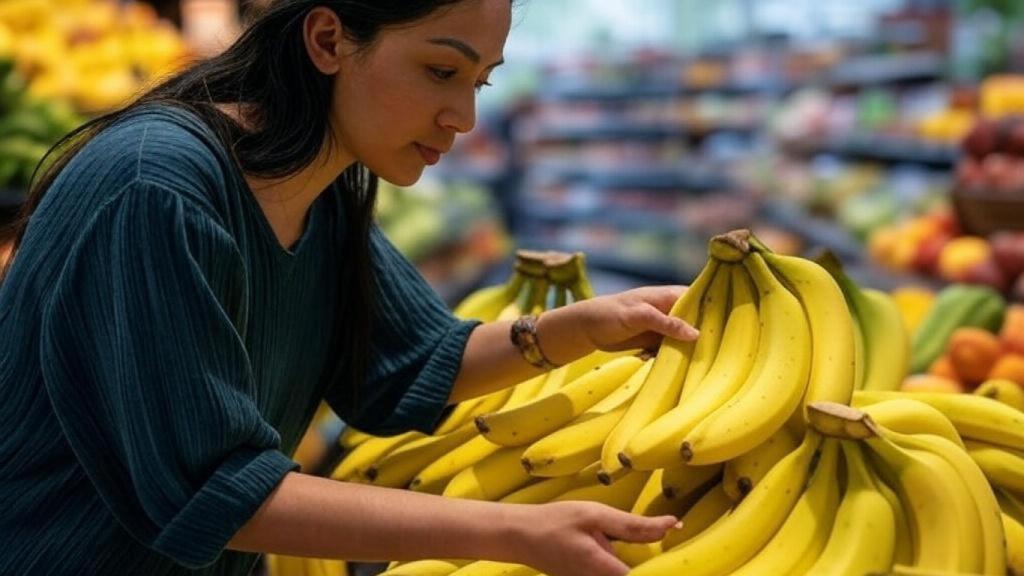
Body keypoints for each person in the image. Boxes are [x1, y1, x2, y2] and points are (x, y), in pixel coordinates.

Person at [0, 1, 701, 575]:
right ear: (329, 38)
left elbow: (412, 365)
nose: (463, 116)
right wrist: (513, 532)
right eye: (440, 70)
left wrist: (581, 328)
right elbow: (216, 492)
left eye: (479, 82)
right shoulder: (157, 187)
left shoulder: (320, 189)